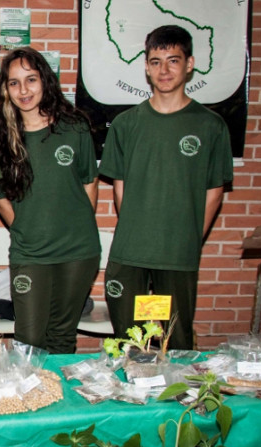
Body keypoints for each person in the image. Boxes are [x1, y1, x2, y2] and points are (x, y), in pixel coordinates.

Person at [100, 25, 233, 350]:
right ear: (146, 66)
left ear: (190, 64)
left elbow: (213, 192)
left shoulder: (210, 125)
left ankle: (176, 401)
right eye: (156, 61)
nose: (164, 70)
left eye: (173, 61)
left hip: (177, 253)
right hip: (130, 251)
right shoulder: (126, 124)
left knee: (174, 339)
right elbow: (121, 189)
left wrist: (188, 237)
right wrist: (138, 229)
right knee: (129, 341)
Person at [0, 47, 100, 354]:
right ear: (5, 90)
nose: (23, 90)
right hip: (30, 253)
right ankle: (31, 397)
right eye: (14, 82)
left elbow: (90, 184)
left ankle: (58, 400)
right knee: (29, 337)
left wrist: (74, 228)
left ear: (45, 81)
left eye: (31, 79)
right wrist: (23, 227)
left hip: (78, 251)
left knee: (62, 336)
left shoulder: (74, 127)